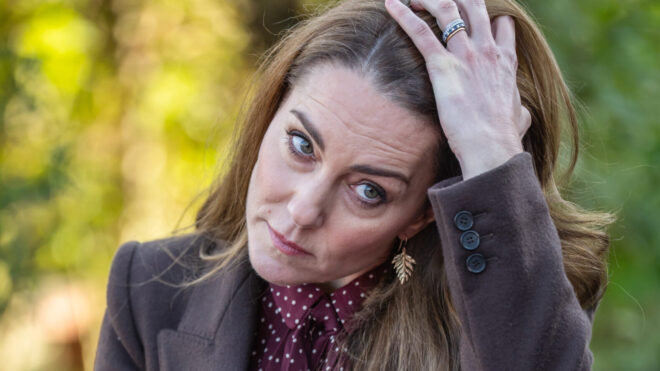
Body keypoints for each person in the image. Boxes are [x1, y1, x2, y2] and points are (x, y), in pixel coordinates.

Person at [94, 0, 613, 370]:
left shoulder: (496, 315)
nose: (302, 211)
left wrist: (492, 156)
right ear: (270, 115)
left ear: (422, 213)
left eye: (369, 191)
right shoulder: (148, 288)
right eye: (301, 145)